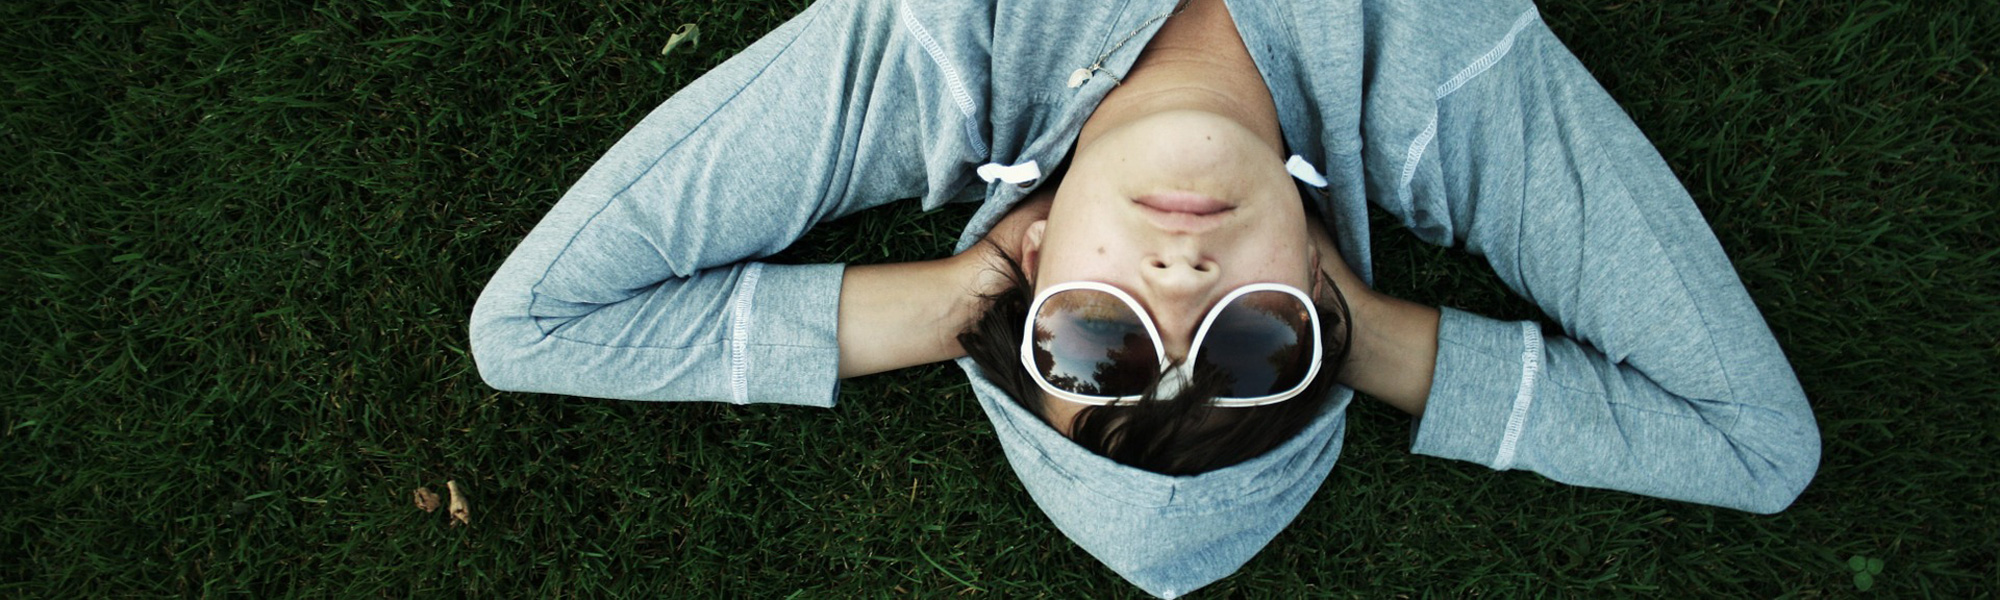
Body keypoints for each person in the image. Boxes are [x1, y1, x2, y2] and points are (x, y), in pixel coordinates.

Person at [469, 0, 1822, 596]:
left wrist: (961, 298)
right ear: (1323, 302)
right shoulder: (1429, 78)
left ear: (1032, 263)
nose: (1180, 288)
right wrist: (1381, 338)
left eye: (1101, 341)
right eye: (1255, 345)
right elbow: (1755, 448)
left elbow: (532, 327)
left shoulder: (948, 51)